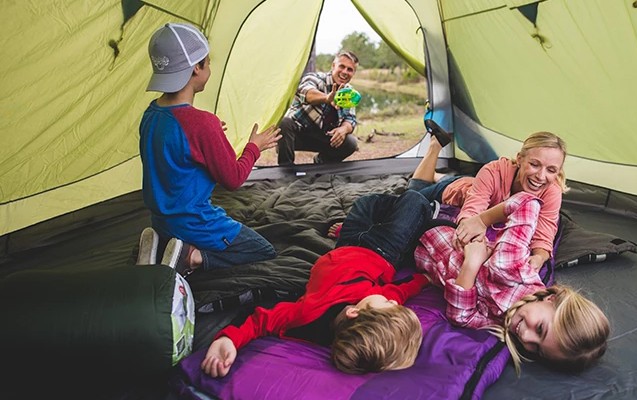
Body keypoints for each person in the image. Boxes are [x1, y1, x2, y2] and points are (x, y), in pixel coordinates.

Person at [201, 190, 434, 377]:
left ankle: (409, 220)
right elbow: (398, 291)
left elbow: (260, 320)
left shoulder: (305, 317)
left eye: (388, 303)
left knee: (404, 200)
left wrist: (228, 339)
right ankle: (415, 223)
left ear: (353, 312)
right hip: (378, 251)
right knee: (393, 201)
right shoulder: (371, 303)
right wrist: (423, 279)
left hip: (355, 246)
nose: (391, 299)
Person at [135, 23, 281, 276]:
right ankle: (191, 257)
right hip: (195, 223)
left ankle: (160, 248)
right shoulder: (202, 124)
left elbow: (176, 153)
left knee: (174, 231)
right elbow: (233, 179)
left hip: (160, 221)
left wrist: (208, 135)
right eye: (208, 63)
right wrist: (253, 148)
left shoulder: (151, 114)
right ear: (196, 69)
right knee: (262, 250)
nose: (209, 68)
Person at [415, 189, 610, 375]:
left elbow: (461, 317)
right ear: (551, 299)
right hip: (431, 230)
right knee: (413, 198)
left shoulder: (503, 322)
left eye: (536, 349)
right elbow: (527, 202)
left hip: (417, 258)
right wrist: (481, 221)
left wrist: (471, 265)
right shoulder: (513, 267)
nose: (526, 338)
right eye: (540, 329)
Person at [409, 123, 568, 272]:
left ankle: (438, 175)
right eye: (534, 164)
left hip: (477, 184)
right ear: (520, 159)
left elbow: (544, 235)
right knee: (413, 195)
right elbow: (472, 210)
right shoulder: (494, 170)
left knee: (460, 182)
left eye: (551, 170)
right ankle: (435, 145)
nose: (541, 176)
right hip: (453, 190)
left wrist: (539, 257)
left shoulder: (552, 191)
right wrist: (468, 231)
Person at [277, 50, 360, 165]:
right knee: (284, 123)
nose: (345, 72)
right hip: (298, 134)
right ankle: (286, 167)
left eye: (350, 69)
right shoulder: (315, 78)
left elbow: (350, 119)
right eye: (342, 66)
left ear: (353, 73)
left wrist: (343, 129)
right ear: (333, 66)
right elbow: (307, 92)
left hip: (324, 136)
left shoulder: (350, 92)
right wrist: (327, 98)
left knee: (351, 143)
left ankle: (322, 163)